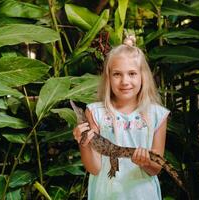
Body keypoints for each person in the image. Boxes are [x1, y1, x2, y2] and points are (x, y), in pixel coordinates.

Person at [73, 35, 170, 200]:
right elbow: (94, 168)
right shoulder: (95, 112)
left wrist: (145, 162)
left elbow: (155, 169)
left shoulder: (157, 115)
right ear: (108, 77)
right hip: (107, 194)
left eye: (132, 73)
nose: (125, 81)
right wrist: (83, 143)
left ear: (143, 76)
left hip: (143, 194)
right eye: (117, 74)